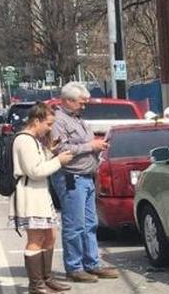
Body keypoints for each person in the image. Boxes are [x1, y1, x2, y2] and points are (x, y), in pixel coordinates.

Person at [51, 82, 119, 282]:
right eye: (81, 103)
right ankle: (74, 266)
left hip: (87, 177)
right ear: (68, 100)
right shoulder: (58, 121)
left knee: (90, 223)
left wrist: (97, 148)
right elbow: (60, 149)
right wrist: (90, 146)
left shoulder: (77, 119)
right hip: (71, 177)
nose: (84, 106)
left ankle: (92, 262)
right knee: (75, 224)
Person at [11, 103, 75, 294]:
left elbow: (38, 163)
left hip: (40, 193)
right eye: (48, 124)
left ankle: (46, 278)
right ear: (36, 120)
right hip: (30, 194)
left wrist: (50, 151)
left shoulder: (34, 140)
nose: (50, 128)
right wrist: (58, 161)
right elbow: (35, 171)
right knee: (36, 239)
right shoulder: (24, 140)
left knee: (50, 236)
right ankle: (36, 284)